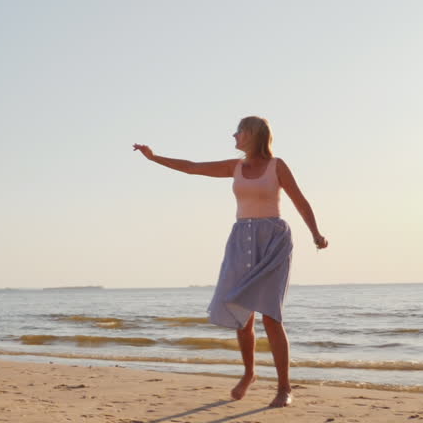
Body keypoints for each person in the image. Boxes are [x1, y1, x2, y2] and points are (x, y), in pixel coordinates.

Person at [133, 116, 327, 408]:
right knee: (240, 312)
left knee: (272, 315)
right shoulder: (235, 167)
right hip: (241, 239)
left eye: (239, 131)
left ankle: (284, 387)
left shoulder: (277, 166)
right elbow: (192, 167)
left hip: (273, 239)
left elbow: (300, 200)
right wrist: (154, 157)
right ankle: (249, 373)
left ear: (253, 134)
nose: (234, 135)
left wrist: (316, 233)